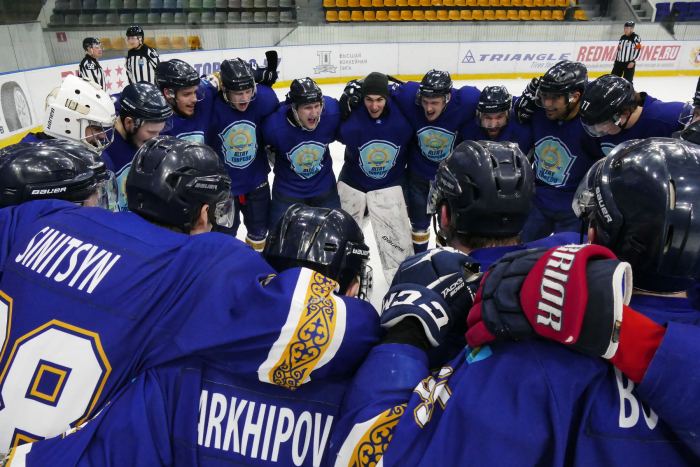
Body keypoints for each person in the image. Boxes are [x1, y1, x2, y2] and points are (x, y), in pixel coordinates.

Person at [331, 138, 700, 466]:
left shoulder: (525, 357)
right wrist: (635, 339)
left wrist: (404, 338)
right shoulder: (551, 260)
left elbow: (369, 453)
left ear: (593, 232)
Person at [2, 204, 383, 466]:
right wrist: (401, 342)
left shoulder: (173, 371)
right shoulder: (375, 387)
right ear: (351, 290)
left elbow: (118, 446)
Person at [387, 70, 481, 254]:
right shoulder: (409, 96)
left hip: (450, 178)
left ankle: (441, 262)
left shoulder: (467, 101)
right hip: (418, 175)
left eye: (434, 103)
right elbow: (379, 91)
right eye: (425, 101)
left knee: (447, 227)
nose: (428, 109)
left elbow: (498, 104)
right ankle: (419, 260)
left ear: (447, 98)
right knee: (419, 225)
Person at [336, 72, 415, 283]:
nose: (374, 106)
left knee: (397, 249)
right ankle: (343, 280)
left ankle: (402, 284)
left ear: (387, 97)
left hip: (391, 186)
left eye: (379, 99)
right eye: (369, 99)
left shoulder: (404, 117)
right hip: (353, 183)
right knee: (340, 244)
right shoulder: (351, 119)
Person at [514, 60, 600, 243]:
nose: (547, 103)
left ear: (575, 97)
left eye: (554, 98)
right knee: (515, 252)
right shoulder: (537, 112)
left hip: (575, 210)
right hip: (537, 201)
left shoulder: (593, 123)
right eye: (544, 96)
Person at [207, 58, 279, 250]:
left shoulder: (264, 98)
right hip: (223, 189)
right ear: (223, 88)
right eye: (238, 93)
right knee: (224, 237)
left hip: (256, 183)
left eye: (248, 91)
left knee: (259, 233)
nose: (245, 98)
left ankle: (257, 269)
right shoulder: (210, 107)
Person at [262, 78, 341, 231]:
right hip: (287, 192)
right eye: (307, 108)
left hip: (325, 189)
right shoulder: (273, 126)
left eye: (317, 106)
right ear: (294, 108)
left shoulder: (331, 112)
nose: (315, 113)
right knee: (277, 240)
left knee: (335, 236)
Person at [102, 82, 172, 211]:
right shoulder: (101, 143)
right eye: (151, 132)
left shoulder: (142, 136)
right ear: (129, 123)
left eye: (159, 131)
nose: (156, 138)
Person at [580, 74, 685, 156]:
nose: (598, 130)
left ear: (625, 113)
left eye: (603, 122)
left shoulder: (672, 119)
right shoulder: (604, 126)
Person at [21, 75, 116, 159]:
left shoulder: (94, 153)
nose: (103, 135)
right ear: (67, 121)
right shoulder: (29, 160)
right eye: (96, 128)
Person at [155, 59, 217, 144]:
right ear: (168, 93)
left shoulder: (205, 95)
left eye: (195, 92)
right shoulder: (155, 122)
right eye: (186, 94)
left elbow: (220, 78)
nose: (194, 99)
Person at [460, 85, 533, 155]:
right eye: (487, 117)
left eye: (499, 117)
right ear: (480, 116)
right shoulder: (469, 132)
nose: (493, 125)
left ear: (508, 115)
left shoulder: (523, 132)